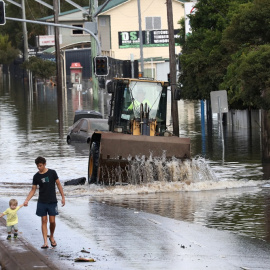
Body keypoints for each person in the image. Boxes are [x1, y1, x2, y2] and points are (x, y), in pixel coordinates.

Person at [24, 156, 65, 249]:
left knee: (52, 221)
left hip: (52, 201)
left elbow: (58, 184)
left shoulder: (52, 172)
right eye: (37, 166)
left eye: (40, 165)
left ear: (44, 164)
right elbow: (33, 190)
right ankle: (45, 242)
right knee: (44, 220)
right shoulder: (36, 176)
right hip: (42, 201)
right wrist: (27, 200)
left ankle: (51, 236)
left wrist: (63, 197)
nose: (39, 167)